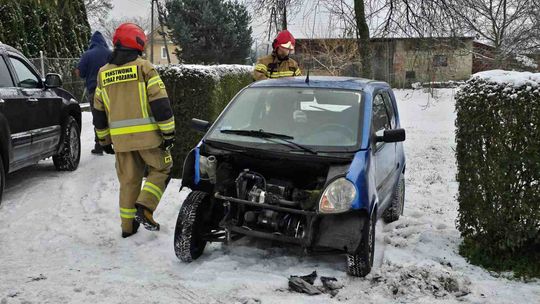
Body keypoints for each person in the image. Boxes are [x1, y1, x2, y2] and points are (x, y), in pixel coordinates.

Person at [93, 23, 176, 238]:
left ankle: (128, 229)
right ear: (138, 43)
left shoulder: (103, 74)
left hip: (121, 142)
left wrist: (104, 141)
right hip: (149, 139)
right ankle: (145, 207)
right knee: (162, 169)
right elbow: (161, 104)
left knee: (129, 182)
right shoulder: (145, 68)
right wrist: (168, 133)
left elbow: (98, 113)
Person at [76, 31, 112, 155]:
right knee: (113, 115)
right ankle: (117, 142)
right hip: (111, 90)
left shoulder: (87, 55)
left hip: (94, 90)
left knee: (98, 116)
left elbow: (79, 72)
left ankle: (100, 144)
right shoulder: (110, 54)